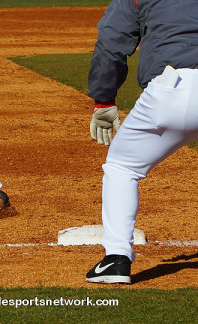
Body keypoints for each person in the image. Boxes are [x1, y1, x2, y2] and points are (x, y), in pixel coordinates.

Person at [87, 0, 198, 284]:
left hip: (175, 88)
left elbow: (111, 43)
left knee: (122, 166)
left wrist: (104, 100)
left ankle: (116, 259)